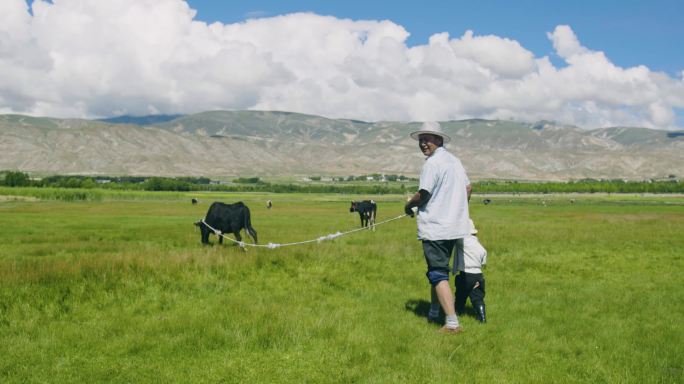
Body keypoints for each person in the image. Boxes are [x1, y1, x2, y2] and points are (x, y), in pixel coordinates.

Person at [404, 121, 472, 334]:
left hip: (436, 228)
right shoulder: (455, 161)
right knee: (439, 272)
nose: (423, 143)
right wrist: (457, 209)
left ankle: (452, 323)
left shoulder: (432, 164)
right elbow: (468, 188)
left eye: (428, 139)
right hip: (454, 226)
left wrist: (408, 205)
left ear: (439, 140)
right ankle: (434, 311)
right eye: (421, 140)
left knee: (437, 274)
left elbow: (423, 194)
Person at [454, 219, 487, 323]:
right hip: (478, 276)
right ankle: (482, 318)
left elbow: (450, 237)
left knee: (460, 296)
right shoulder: (480, 247)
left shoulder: (462, 241)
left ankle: (458, 314)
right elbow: (483, 262)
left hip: (466, 275)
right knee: (477, 298)